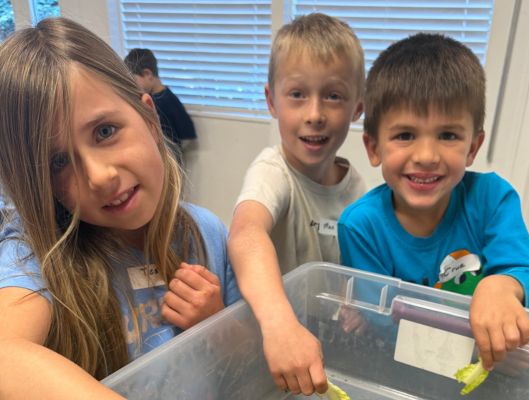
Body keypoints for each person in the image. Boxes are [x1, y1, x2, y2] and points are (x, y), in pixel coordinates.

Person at [0, 17, 239, 399]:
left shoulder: (207, 232)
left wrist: (216, 323)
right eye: (58, 162)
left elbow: (246, 360)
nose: (97, 177)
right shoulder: (35, 257)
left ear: (150, 118)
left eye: (105, 132)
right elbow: (3, 355)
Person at [338, 33, 529, 372]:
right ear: (374, 147)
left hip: (488, 373)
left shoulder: (493, 198)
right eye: (405, 135)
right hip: (403, 364)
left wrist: (502, 286)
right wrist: (474, 349)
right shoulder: (360, 226)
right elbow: (383, 323)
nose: (426, 156)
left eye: (448, 135)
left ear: (473, 147)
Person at [227, 13, 366, 396]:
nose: (315, 114)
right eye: (298, 94)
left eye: (333, 96)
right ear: (272, 101)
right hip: (267, 350)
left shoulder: (359, 192)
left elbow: (363, 273)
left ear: (358, 107)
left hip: (328, 351)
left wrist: (359, 307)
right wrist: (280, 325)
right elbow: (246, 233)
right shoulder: (273, 172)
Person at [124, 48, 197, 165]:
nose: (133, 85)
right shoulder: (146, 98)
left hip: (168, 162)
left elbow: (187, 134)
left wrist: (172, 153)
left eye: (134, 80)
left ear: (148, 74)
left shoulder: (169, 100)